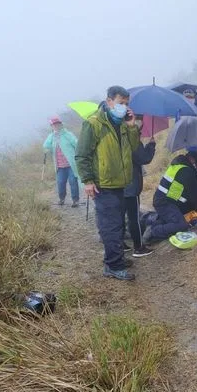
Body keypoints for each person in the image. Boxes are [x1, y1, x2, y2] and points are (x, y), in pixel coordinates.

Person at [75, 86, 140, 281]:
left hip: (119, 183)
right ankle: (114, 266)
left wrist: (131, 126)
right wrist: (87, 180)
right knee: (111, 226)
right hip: (103, 184)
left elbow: (135, 147)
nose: (124, 107)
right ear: (109, 101)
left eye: (127, 104)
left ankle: (114, 259)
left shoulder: (121, 123)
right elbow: (82, 155)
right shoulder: (94, 124)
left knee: (117, 224)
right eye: (121, 103)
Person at [142, 150, 197, 244]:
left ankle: (155, 224)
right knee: (181, 225)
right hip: (165, 203)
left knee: (174, 218)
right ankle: (153, 232)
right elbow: (193, 195)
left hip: (164, 200)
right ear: (192, 159)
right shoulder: (187, 171)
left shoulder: (178, 166)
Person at [124, 132, 156, 258]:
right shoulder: (132, 139)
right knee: (134, 217)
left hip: (117, 184)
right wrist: (151, 145)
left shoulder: (115, 135)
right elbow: (144, 158)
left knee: (120, 214)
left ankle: (120, 243)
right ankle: (138, 247)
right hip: (130, 185)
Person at [43, 116, 80, 207]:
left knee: (73, 182)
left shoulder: (68, 134)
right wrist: (47, 149)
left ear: (61, 124)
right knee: (60, 183)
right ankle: (61, 199)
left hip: (71, 164)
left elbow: (77, 144)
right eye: (54, 125)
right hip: (59, 166)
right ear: (51, 126)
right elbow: (46, 145)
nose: (56, 126)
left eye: (57, 124)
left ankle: (75, 200)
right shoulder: (51, 136)